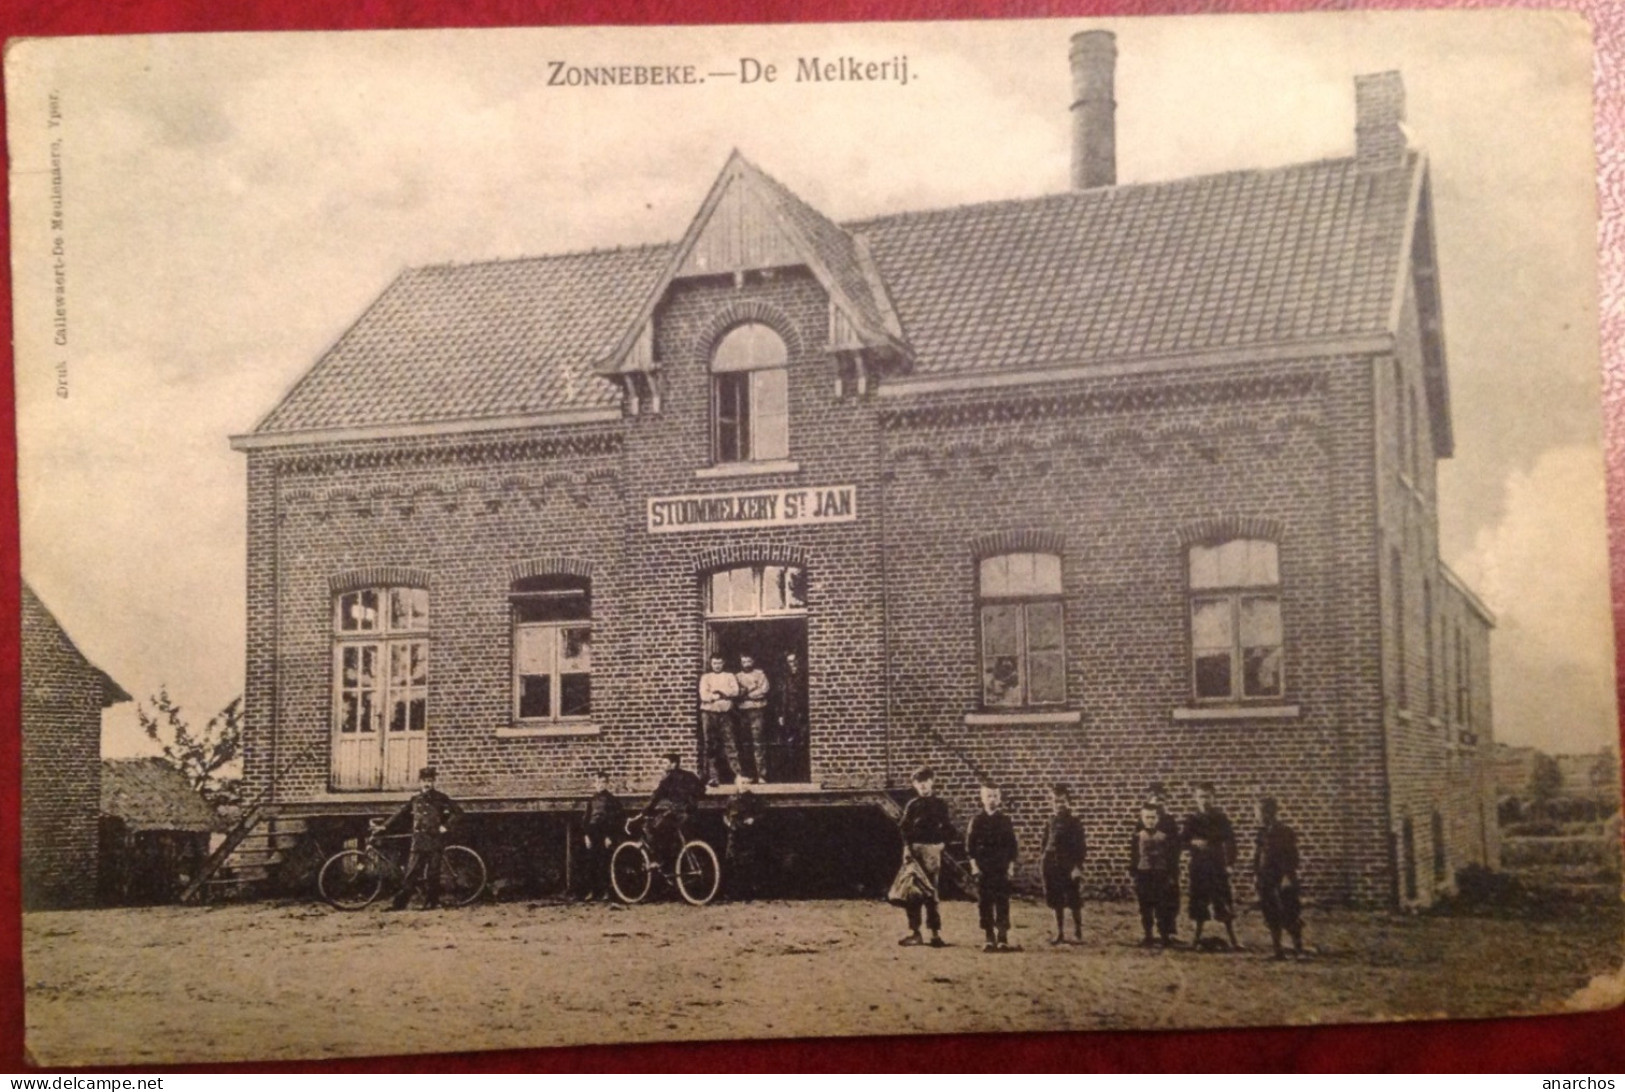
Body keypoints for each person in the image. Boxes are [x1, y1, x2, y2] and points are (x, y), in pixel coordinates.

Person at [380, 766, 465, 911]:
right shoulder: (415, 799)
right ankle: (399, 904)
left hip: (434, 840)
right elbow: (400, 813)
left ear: (434, 782)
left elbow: (458, 812)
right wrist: (384, 826)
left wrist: (446, 826)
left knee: (433, 873)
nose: (427, 784)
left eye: (430, 780)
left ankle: (431, 903)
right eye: (425, 780)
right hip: (418, 841)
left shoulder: (440, 798)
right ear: (420, 782)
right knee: (411, 873)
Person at [892, 765, 954, 948]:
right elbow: (904, 829)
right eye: (919, 783)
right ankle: (915, 932)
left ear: (932, 782)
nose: (923, 786)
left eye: (926, 782)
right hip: (915, 850)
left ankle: (935, 934)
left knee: (931, 892)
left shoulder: (940, 804)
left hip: (932, 851)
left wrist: (943, 844)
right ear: (915, 785)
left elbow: (948, 828)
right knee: (913, 892)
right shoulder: (913, 805)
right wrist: (907, 849)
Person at [1182, 781, 1240, 950]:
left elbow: (1231, 842)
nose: (1204, 801)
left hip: (1217, 865)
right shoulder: (1192, 819)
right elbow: (1182, 841)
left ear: (1213, 798)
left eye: (1207, 797)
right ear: (1195, 799)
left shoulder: (1221, 819)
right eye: (1201, 797)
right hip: (1199, 866)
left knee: (1223, 900)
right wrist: (1193, 842)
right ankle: (1195, 938)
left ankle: (1233, 939)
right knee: (1199, 902)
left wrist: (1230, 864)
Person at [965, 783, 1019, 952]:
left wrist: (1010, 867)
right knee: (985, 902)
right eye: (988, 796)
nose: (992, 800)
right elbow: (970, 847)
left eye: (995, 796)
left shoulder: (1005, 821)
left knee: (1002, 901)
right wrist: (974, 867)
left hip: (1000, 867)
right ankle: (989, 937)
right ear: (982, 799)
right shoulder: (977, 821)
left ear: (1000, 799)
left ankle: (1002, 937)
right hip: (983, 868)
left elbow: (1012, 847)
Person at [1254, 795, 1305, 959]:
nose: (1257, 816)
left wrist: (1287, 877)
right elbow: (1258, 856)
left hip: (1282, 879)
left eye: (1259, 812)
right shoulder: (1261, 833)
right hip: (1266, 879)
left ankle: (1299, 950)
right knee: (1271, 914)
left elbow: (1292, 857)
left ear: (1268, 813)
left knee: (1289, 914)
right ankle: (1278, 951)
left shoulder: (1284, 832)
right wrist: (1256, 875)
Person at [638, 751, 706, 869]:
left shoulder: (668, 779)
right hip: (692, 813)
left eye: (665, 763)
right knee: (671, 834)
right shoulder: (691, 775)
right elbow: (702, 790)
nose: (662, 766)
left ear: (673, 764)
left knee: (652, 828)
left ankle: (659, 860)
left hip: (677, 813)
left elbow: (655, 797)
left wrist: (643, 812)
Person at [1128, 799, 1180, 946]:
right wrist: (1134, 874)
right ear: (1142, 818)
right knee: (1145, 907)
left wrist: (1170, 875)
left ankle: (1164, 936)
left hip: (1160, 874)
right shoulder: (1137, 837)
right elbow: (1133, 857)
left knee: (1161, 906)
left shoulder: (1164, 837)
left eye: (1153, 817)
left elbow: (1171, 858)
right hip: (1144, 874)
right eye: (1147, 817)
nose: (1150, 821)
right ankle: (1148, 935)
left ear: (1158, 819)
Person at [1040, 783, 1087, 945]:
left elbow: (1080, 847)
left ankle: (1078, 932)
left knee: (1073, 899)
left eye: (1062, 801)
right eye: (1055, 801)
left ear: (1068, 802)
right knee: (1056, 899)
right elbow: (1045, 842)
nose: (1059, 805)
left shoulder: (1074, 822)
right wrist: (1044, 859)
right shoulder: (1050, 820)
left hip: (1068, 865)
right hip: (1051, 864)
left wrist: (1077, 867)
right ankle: (1059, 933)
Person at [577, 770, 623, 902]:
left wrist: (609, 836)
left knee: (605, 862)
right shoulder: (591, 800)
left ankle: (607, 892)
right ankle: (593, 891)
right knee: (592, 862)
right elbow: (586, 819)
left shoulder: (612, 800)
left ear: (607, 784)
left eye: (603, 782)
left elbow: (615, 819)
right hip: (593, 832)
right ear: (594, 784)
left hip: (605, 833)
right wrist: (586, 835)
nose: (600, 785)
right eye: (598, 782)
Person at [698, 655, 742, 786]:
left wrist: (721, 693)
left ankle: (737, 774)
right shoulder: (706, 677)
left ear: (723, 663)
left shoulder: (729, 676)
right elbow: (704, 695)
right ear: (711, 664)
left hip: (725, 713)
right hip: (709, 713)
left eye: (719, 663)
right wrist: (716, 696)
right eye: (714, 663)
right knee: (710, 744)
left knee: (730, 742)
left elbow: (735, 691)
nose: (717, 665)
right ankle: (713, 776)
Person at [724, 782, 770, 900]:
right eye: (741, 783)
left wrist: (753, 819)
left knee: (748, 861)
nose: (743, 785)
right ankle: (733, 892)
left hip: (747, 832)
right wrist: (728, 822)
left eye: (746, 783)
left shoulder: (754, 799)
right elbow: (725, 814)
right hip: (734, 833)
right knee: (732, 860)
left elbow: (762, 813)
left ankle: (749, 893)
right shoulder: (731, 799)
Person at [735, 653, 771, 784]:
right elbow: (736, 692)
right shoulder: (737, 676)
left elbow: (764, 690)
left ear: (753, 661)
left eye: (748, 661)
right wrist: (749, 691)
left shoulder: (760, 674)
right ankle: (748, 775)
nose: (746, 664)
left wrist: (748, 694)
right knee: (745, 744)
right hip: (742, 712)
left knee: (758, 743)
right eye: (743, 661)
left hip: (757, 710)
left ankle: (762, 775)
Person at [777, 649, 806, 782]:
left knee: (803, 741)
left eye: (794, 661)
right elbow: (781, 697)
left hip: (802, 712)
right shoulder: (784, 678)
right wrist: (781, 714)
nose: (792, 664)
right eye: (789, 661)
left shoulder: (805, 675)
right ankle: (791, 773)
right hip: (789, 713)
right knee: (789, 742)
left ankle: (803, 772)